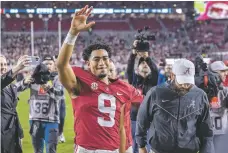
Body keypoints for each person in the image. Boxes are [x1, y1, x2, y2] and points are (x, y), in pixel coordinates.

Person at [56, 5, 143, 153]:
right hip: (88, 149)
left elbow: (148, 107)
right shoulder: (81, 82)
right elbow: (61, 65)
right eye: (96, 59)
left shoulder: (125, 87)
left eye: (105, 58)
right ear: (88, 63)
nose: (102, 62)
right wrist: (73, 33)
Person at [136, 59, 214, 153]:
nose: (185, 85)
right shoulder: (155, 93)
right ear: (172, 75)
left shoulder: (200, 96)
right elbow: (142, 120)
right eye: (183, 82)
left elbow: (207, 131)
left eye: (188, 82)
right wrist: (141, 146)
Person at [17, 55, 64, 153]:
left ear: (54, 65)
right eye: (45, 64)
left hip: (51, 121)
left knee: (51, 150)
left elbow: (59, 96)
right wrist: (24, 82)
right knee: (37, 151)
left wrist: (48, 88)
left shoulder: (56, 79)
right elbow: (16, 89)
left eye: (50, 64)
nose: (48, 66)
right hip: (35, 121)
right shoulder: (33, 78)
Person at [127, 40, 158, 153]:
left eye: (146, 64)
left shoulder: (153, 81)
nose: (145, 65)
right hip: (134, 118)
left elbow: (155, 70)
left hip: (150, 119)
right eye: (142, 63)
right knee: (135, 145)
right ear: (138, 69)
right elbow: (129, 70)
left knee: (149, 145)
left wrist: (147, 57)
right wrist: (133, 54)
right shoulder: (133, 81)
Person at [1, 55, 32, 153]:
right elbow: (3, 81)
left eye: (5, 64)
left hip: (12, 130)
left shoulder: (10, 86)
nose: (3, 67)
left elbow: (16, 88)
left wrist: (19, 133)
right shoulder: (4, 82)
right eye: (0, 64)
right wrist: (18, 67)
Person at [209, 61, 228, 153]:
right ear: (215, 73)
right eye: (223, 71)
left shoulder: (224, 91)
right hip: (208, 136)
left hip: (222, 133)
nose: (226, 73)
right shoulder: (202, 91)